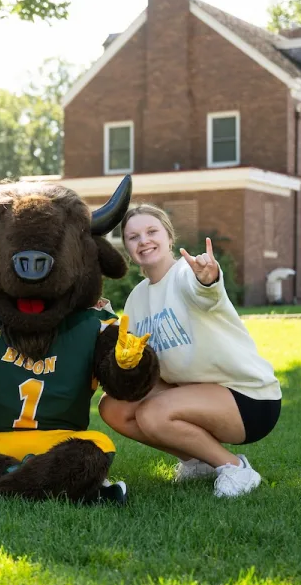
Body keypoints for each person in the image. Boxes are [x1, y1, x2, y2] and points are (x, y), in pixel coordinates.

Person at [98, 204, 281, 498]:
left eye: (151, 231)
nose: (143, 240)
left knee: (152, 414)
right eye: (133, 237)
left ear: (170, 237)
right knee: (113, 407)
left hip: (249, 397)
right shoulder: (138, 298)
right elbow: (137, 361)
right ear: (128, 248)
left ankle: (236, 468)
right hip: (195, 392)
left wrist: (207, 278)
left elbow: (205, 292)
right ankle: (197, 461)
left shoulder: (186, 274)